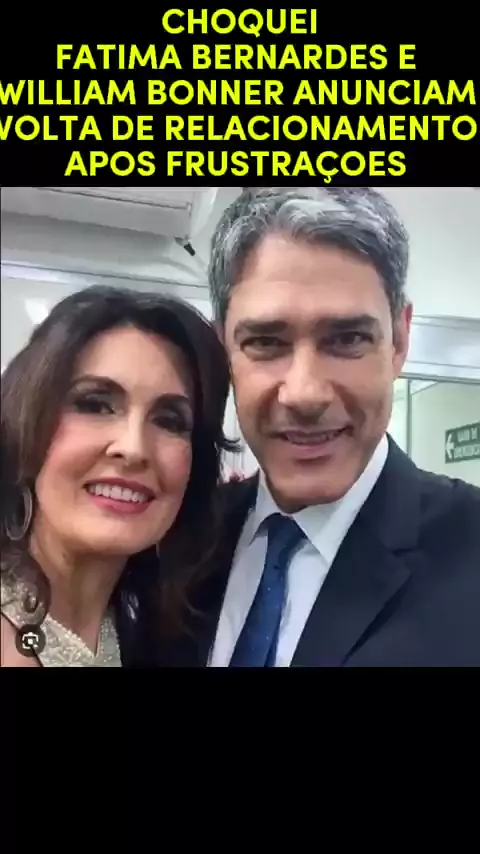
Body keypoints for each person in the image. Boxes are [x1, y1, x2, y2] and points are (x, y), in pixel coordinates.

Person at [165, 186, 480, 668]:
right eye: (266, 342)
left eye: (347, 338)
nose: (305, 394)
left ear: (399, 340)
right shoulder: (182, 539)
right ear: (222, 348)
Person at [0, 285, 236, 667]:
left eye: (169, 421)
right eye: (95, 405)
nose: (134, 448)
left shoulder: (157, 638)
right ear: (25, 421)